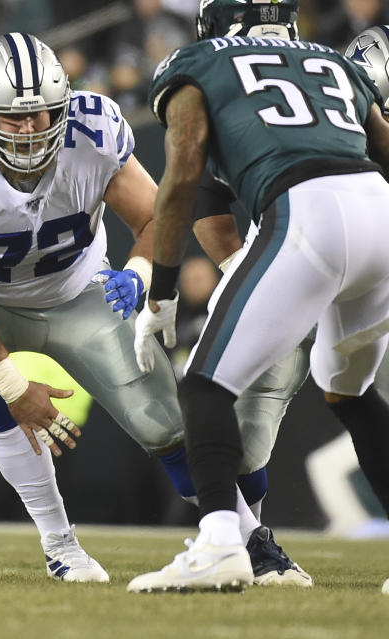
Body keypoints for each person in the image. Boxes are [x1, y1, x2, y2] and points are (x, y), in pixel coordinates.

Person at [0, 31, 299, 583]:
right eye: (13, 118)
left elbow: (154, 219)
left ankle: (253, 543)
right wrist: (11, 386)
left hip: (79, 294)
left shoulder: (93, 129)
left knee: (166, 425)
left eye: (43, 114)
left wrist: (138, 272)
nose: (30, 129)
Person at [129, 0, 389, 593]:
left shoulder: (196, 63)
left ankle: (221, 541)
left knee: (202, 384)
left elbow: (183, 175)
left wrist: (163, 291)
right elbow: (384, 149)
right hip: (378, 208)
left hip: (306, 210)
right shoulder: (333, 59)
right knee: (348, 391)